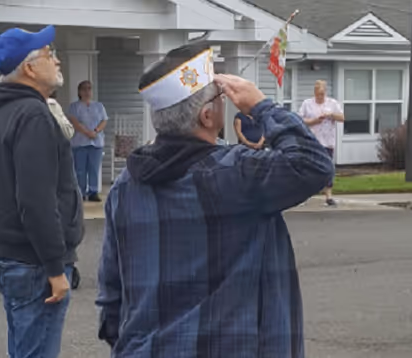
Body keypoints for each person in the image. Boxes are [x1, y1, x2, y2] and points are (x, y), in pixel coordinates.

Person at [96, 42, 334, 357]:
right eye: (220, 99)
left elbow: (112, 290)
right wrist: (261, 106)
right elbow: (314, 165)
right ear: (207, 115)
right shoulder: (234, 173)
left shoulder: (126, 185)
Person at [0, 25, 84, 358]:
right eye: (49, 54)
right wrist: (54, 267)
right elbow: (36, 201)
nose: (57, 61)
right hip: (34, 262)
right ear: (29, 67)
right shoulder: (33, 115)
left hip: (8, 255)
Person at [299, 80, 345, 206]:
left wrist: (331, 115)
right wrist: (314, 120)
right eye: (318, 94)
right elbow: (300, 120)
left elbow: (342, 118)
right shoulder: (307, 104)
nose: (320, 97)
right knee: (309, 168)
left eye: (322, 94)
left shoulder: (332, 103)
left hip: (328, 141)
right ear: (314, 93)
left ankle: (328, 196)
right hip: (312, 141)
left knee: (327, 168)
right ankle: (305, 195)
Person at [68, 80, 108, 202]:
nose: (87, 91)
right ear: (79, 91)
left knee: (94, 169)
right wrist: (87, 133)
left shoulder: (99, 106)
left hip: (96, 143)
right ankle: (80, 192)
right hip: (79, 142)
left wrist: (95, 131)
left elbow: (104, 120)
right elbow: (74, 122)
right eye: (84, 89)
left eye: (89, 89)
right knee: (80, 170)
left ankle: (93, 192)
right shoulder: (74, 106)